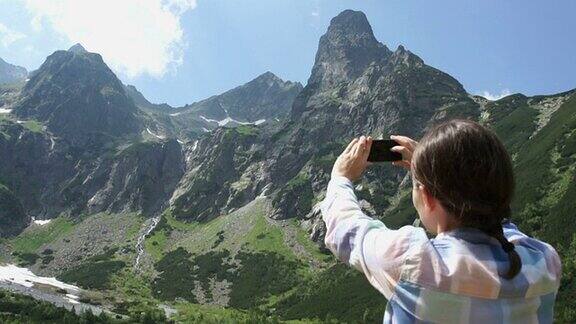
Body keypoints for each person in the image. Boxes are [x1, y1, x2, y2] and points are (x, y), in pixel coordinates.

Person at [321, 119, 561, 323]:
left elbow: (347, 228)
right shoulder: (544, 261)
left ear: (427, 196)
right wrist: (429, 170)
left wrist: (340, 178)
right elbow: (497, 220)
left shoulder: (414, 262)